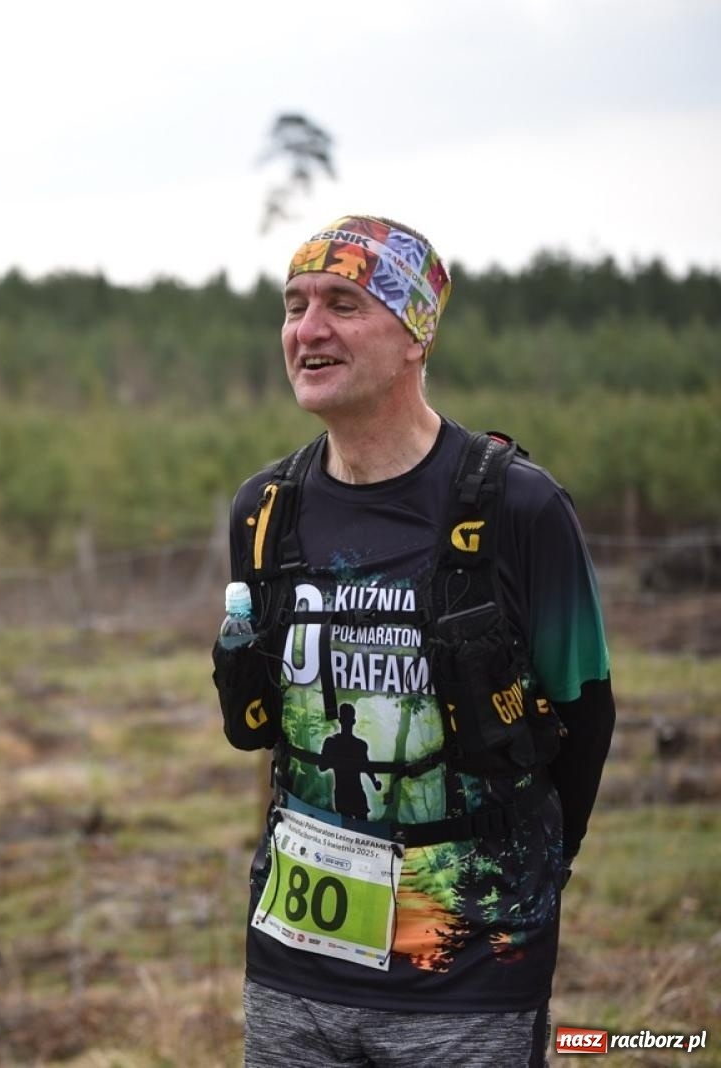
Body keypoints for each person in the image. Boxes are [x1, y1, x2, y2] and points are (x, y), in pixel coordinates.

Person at [211, 215, 616, 1067]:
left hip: (470, 974)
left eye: (343, 304)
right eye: (294, 305)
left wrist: (523, 884)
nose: (307, 329)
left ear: (414, 337)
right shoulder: (265, 511)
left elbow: (586, 718)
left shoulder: (521, 509)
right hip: (294, 970)